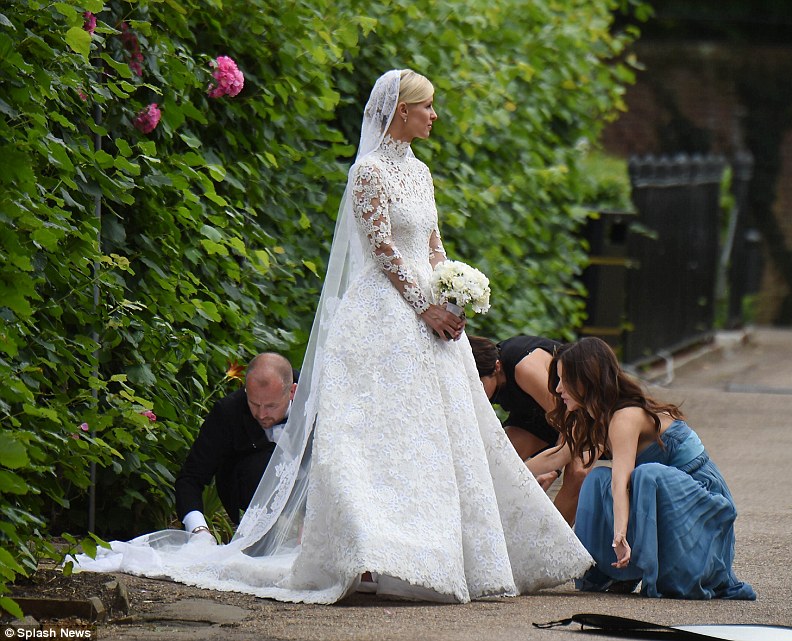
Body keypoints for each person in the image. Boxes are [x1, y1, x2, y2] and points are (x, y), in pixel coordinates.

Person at [76, 69, 593, 604]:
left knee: (442, 437)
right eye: (427, 106)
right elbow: (383, 250)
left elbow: (432, 243)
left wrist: (450, 293)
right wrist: (424, 308)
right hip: (384, 316)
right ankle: (376, 552)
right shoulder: (368, 172)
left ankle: (451, 553)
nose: (434, 115)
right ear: (401, 111)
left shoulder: (421, 172)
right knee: (380, 437)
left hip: (433, 317)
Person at [526, 337, 756, 599]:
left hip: (700, 500)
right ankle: (613, 572)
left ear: (587, 379)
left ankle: (650, 563)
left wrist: (620, 536)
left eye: (564, 380)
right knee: (596, 479)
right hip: (659, 495)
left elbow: (621, 482)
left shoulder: (624, 417)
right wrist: (503, 473)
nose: (557, 389)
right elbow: (556, 456)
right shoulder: (593, 415)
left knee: (645, 475)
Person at [469, 335, 588, 525]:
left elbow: (570, 418)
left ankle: (557, 538)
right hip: (534, 414)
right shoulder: (486, 376)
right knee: (494, 461)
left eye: (478, 386)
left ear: (497, 367)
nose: (474, 394)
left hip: (575, 413)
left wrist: (554, 469)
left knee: (577, 472)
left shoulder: (524, 367)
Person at [175, 352, 297, 535]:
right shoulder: (227, 412)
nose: (261, 414)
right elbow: (190, 478)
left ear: (292, 392)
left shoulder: (321, 400)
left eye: (271, 406)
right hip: (249, 497)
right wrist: (198, 529)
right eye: (254, 404)